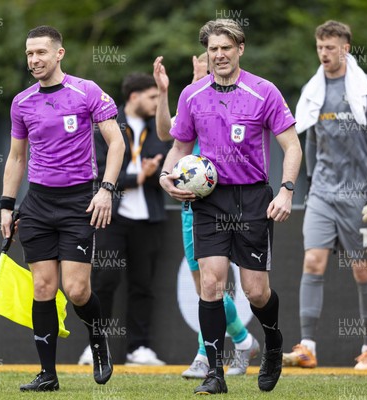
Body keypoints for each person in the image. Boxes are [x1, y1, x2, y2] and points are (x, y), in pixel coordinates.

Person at [159, 19, 302, 394]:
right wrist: (166, 176)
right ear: (207, 52)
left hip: (253, 197)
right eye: (213, 49)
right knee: (210, 283)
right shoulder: (192, 95)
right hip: (208, 198)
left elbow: (292, 146)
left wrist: (286, 190)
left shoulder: (264, 91)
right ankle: (214, 372)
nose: (219, 55)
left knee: (256, 292)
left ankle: (272, 343)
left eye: (226, 47)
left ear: (240, 49)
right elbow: (179, 147)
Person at [0, 25, 124, 391]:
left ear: (59, 54)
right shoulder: (22, 102)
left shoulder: (86, 92)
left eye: (40, 52)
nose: (33, 60)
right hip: (37, 203)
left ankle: (98, 339)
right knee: (42, 287)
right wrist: (7, 206)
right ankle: (48, 375)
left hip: (79, 202)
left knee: (77, 290)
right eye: (29, 54)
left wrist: (105, 190)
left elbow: (116, 144)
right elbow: (16, 157)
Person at [283, 20, 367, 370]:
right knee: (313, 261)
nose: (324, 54)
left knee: (362, 269)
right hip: (323, 192)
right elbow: (309, 139)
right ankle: (307, 346)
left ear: (346, 48)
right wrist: (310, 186)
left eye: (331, 47)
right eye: (320, 47)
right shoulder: (313, 90)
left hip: (361, 194)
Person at [153, 53, 260, 378]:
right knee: (205, 285)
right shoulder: (192, 101)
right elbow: (164, 135)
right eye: (205, 57)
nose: (210, 62)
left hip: (226, 203)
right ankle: (242, 339)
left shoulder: (230, 101)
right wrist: (163, 92)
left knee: (214, 283)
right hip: (191, 202)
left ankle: (204, 354)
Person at [77, 73, 171, 366]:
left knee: (143, 285)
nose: (157, 102)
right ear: (134, 97)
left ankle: (139, 348)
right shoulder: (107, 125)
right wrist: (136, 176)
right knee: (104, 281)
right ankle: (95, 346)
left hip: (149, 218)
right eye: (153, 97)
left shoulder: (161, 128)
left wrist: (152, 173)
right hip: (110, 217)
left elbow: (170, 165)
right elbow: (100, 171)